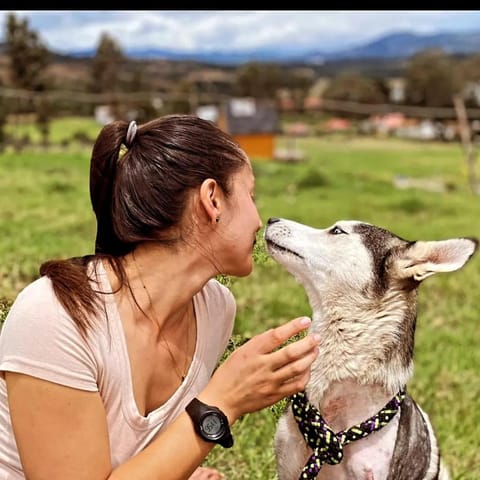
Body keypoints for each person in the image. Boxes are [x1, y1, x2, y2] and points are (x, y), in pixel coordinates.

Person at [0, 114, 320, 480]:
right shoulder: (54, 316)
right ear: (212, 199)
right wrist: (222, 402)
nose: (259, 219)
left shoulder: (215, 310)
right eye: (250, 195)